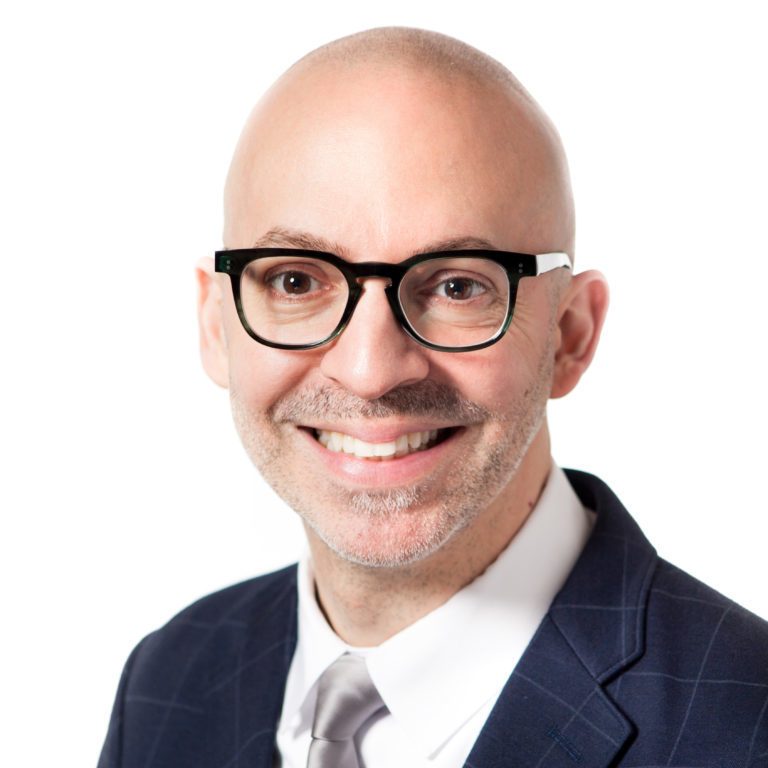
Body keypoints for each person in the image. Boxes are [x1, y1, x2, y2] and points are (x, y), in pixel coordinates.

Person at [99, 27, 768, 768]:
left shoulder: (747, 721)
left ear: (569, 336)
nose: (370, 370)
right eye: (296, 280)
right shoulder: (169, 683)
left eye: (457, 285)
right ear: (215, 325)